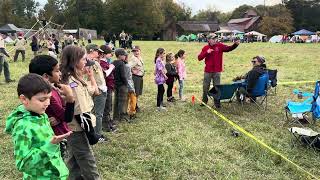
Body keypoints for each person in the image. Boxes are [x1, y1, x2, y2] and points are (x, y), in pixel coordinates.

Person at [5, 73, 71, 179]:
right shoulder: (22, 126)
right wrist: (50, 146)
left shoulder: (41, 114)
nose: (47, 103)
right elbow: (22, 163)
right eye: (42, 100)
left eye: (49, 98)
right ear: (24, 99)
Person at [60, 45, 101, 180]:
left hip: (76, 127)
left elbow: (92, 91)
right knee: (87, 160)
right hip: (78, 128)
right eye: (83, 59)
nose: (85, 62)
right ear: (74, 60)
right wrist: (91, 133)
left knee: (73, 160)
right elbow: (80, 112)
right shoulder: (72, 83)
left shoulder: (76, 78)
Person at [29, 55, 75, 158]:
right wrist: (70, 97)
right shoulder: (48, 95)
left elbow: (61, 111)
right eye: (57, 71)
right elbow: (67, 117)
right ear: (46, 76)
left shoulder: (52, 90)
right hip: (55, 136)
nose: (60, 73)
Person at [198, 34, 240, 108]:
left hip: (217, 71)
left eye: (216, 38)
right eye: (213, 39)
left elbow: (229, 48)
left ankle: (217, 102)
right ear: (209, 40)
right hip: (208, 71)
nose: (215, 40)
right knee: (205, 87)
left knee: (216, 87)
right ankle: (204, 101)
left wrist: (235, 45)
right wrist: (206, 52)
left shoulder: (220, 46)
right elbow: (199, 58)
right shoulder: (205, 48)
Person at [86, 44, 107, 138]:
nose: (98, 53)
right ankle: (98, 135)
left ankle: (95, 133)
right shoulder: (88, 62)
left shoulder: (94, 62)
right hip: (96, 89)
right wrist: (98, 88)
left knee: (96, 113)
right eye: (97, 51)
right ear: (91, 50)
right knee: (98, 114)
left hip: (98, 88)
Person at [99, 45, 117, 132]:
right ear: (104, 54)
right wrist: (111, 68)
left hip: (109, 87)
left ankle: (109, 123)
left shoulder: (105, 62)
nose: (111, 55)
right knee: (106, 107)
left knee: (109, 107)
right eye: (109, 53)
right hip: (105, 87)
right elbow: (105, 74)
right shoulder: (101, 63)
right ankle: (106, 126)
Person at [113, 48, 130, 122]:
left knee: (116, 101)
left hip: (115, 84)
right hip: (122, 85)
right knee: (122, 101)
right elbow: (123, 76)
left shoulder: (113, 62)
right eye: (124, 55)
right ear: (119, 56)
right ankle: (122, 117)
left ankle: (115, 117)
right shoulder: (121, 63)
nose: (125, 56)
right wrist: (126, 84)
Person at [129, 45, 144, 112]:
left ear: (140, 51)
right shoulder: (134, 59)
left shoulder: (139, 58)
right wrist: (132, 71)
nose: (136, 52)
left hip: (140, 77)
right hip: (136, 77)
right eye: (134, 51)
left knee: (137, 93)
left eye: (137, 51)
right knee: (135, 93)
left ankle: (136, 105)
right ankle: (133, 107)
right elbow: (128, 67)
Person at [124, 54, 136, 120]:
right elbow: (128, 78)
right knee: (133, 100)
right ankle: (132, 113)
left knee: (127, 100)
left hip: (126, 85)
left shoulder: (124, 65)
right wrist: (131, 88)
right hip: (129, 86)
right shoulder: (127, 66)